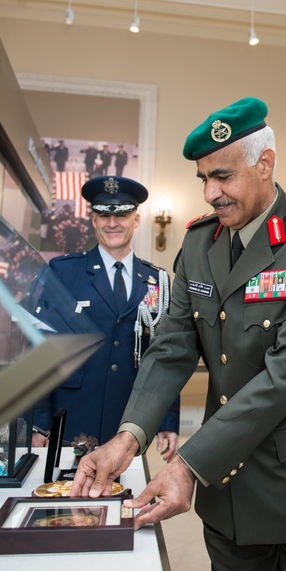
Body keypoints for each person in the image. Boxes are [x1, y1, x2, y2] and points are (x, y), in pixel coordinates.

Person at [72, 97, 286, 571]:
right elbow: (171, 347)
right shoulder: (198, 244)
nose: (210, 192)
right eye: (203, 179)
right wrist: (128, 438)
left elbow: (285, 374)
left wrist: (187, 466)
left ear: (264, 163)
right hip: (230, 487)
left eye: (223, 176)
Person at [32, 175, 179, 458]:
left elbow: (167, 355)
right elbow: (41, 351)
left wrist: (167, 419)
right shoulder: (63, 273)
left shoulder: (156, 281)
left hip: (129, 422)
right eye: (103, 215)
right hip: (70, 418)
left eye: (122, 214)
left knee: (123, 497)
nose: (113, 223)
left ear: (136, 219)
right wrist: (38, 423)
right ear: (93, 220)